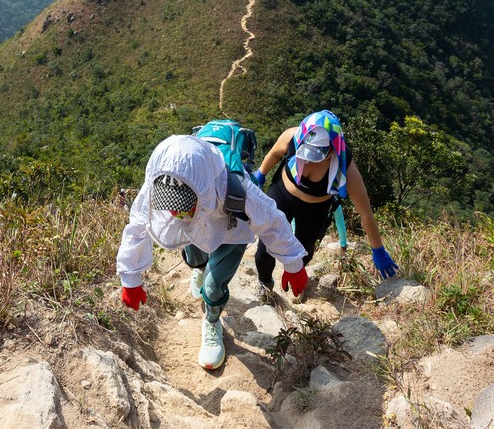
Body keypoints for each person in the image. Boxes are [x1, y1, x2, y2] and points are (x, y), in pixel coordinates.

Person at [117, 134, 310, 370]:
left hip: (231, 232)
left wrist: (293, 264)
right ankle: (199, 268)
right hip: (195, 231)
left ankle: (211, 321)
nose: (174, 213)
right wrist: (131, 278)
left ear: (205, 189)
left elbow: (271, 220)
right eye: (168, 205)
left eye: (182, 205)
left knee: (213, 286)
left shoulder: (235, 189)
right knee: (195, 259)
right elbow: (138, 226)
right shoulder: (159, 182)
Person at [250, 109, 399, 291]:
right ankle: (265, 284)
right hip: (282, 196)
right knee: (265, 249)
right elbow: (274, 154)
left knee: (303, 252)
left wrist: (378, 249)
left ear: (333, 148)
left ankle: (294, 276)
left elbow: (365, 213)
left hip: (315, 210)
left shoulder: (346, 168)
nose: (310, 160)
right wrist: (260, 174)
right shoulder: (292, 137)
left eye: (317, 155)